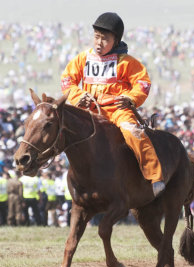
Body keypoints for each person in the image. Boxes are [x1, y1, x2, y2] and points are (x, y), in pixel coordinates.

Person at [60, 12, 164, 197]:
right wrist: (77, 97)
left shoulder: (127, 62)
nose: (99, 42)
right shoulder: (83, 59)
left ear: (115, 41)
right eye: (97, 37)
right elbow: (68, 79)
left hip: (118, 110)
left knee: (133, 133)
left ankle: (155, 177)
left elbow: (143, 83)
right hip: (90, 110)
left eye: (105, 39)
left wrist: (131, 99)